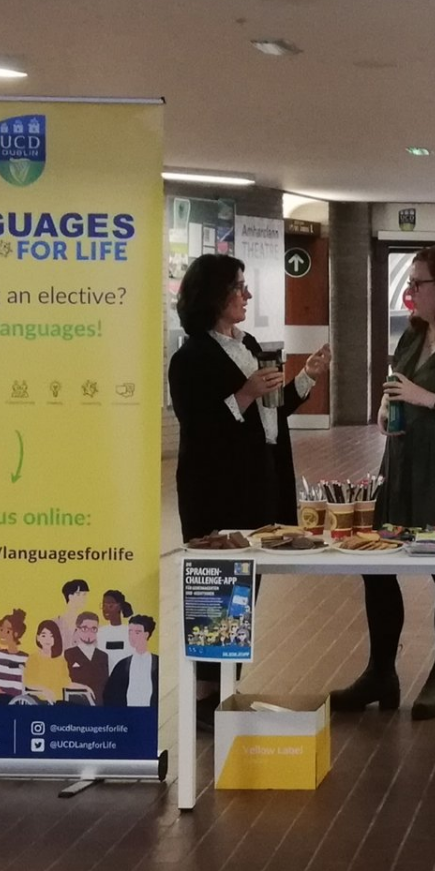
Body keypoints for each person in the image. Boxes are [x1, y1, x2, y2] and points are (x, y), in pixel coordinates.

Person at [331, 247, 435, 719]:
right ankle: (380, 671)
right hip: (401, 464)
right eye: (411, 283)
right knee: (378, 565)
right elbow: (395, 388)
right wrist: (385, 411)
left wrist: (428, 399)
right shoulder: (412, 334)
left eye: (419, 283)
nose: (412, 292)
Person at [168, 253, 329, 709]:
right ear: (214, 294)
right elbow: (199, 427)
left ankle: (224, 690)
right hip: (216, 491)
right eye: (240, 287)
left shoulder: (249, 343)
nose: (248, 295)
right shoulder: (190, 358)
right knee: (216, 593)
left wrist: (305, 378)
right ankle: (205, 697)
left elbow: (269, 414)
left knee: (241, 594)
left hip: (258, 481)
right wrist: (245, 392)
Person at [103, 615, 159, 708]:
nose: (132, 637)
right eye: (130, 632)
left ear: (146, 634)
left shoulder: (158, 663)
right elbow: (110, 695)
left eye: (137, 632)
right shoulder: (122, 665)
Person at [63, 612, 108, 703]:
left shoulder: (103, 656)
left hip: (99, 705)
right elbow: (64, 681)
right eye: (84, 628)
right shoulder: (68, 654)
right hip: (75, 704)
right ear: (77, 629)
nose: (89, 633)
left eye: (93, 629)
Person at [26, 622, 71, 703]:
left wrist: (85, 688)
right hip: (39, 700)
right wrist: (45, 690)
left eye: (51, 636)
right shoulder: (34, 658)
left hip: (57, 701)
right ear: (38, 638)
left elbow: (66, 682)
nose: (47, 639)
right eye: (44, 635)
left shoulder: (61, 660)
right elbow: (29, 682)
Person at [48, 580, 90, 648]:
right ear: (70, 596)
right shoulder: (55, 623)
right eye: (80, 594)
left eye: (85, 595)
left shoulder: (89, 623)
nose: (84, 598)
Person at [97, 590, 132, 670]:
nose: (105, 609)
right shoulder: (100, 632)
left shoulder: (129, 632)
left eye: (110, 605)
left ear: (119, 606)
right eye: (104, 605)